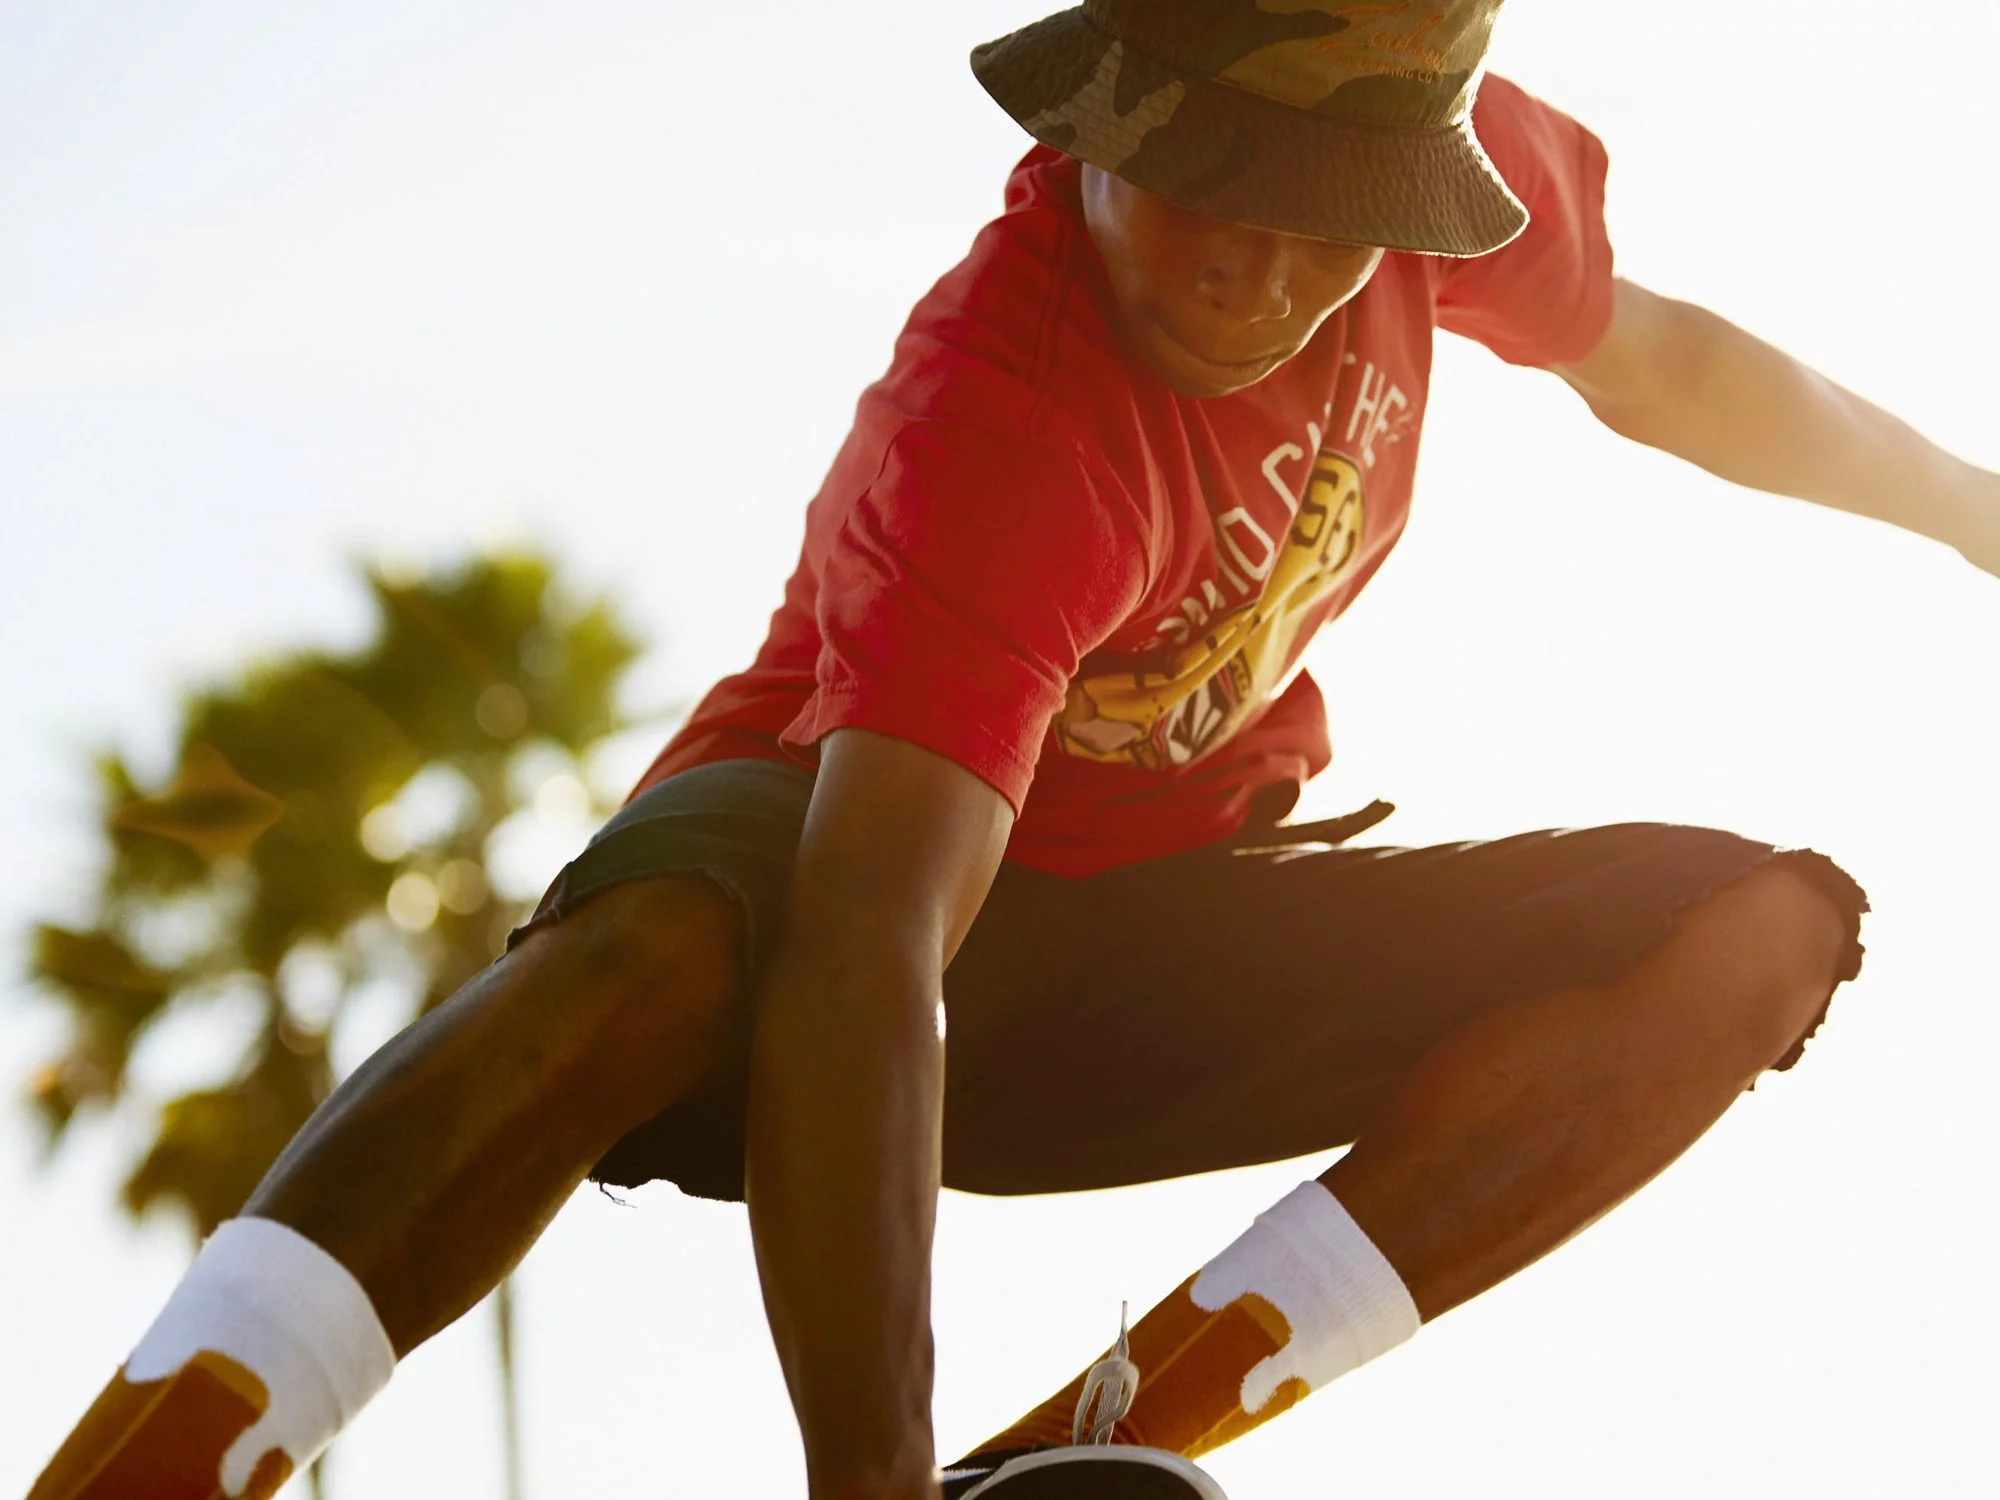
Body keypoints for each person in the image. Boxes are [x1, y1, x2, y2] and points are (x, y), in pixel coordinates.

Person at [29, 3, 2000, 1498]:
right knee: (686, 942)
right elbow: (872, 950)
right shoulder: (1006, 415)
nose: (1259, 274)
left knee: (1749, 939)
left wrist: (1972, 510)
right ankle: (154, 1456)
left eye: (1323, 228)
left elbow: (1670, 368)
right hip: (813, 939)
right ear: (1102, 123)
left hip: (1138, 941)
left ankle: (1078, 1455)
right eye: (1207, 193)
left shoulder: (1419, 166)